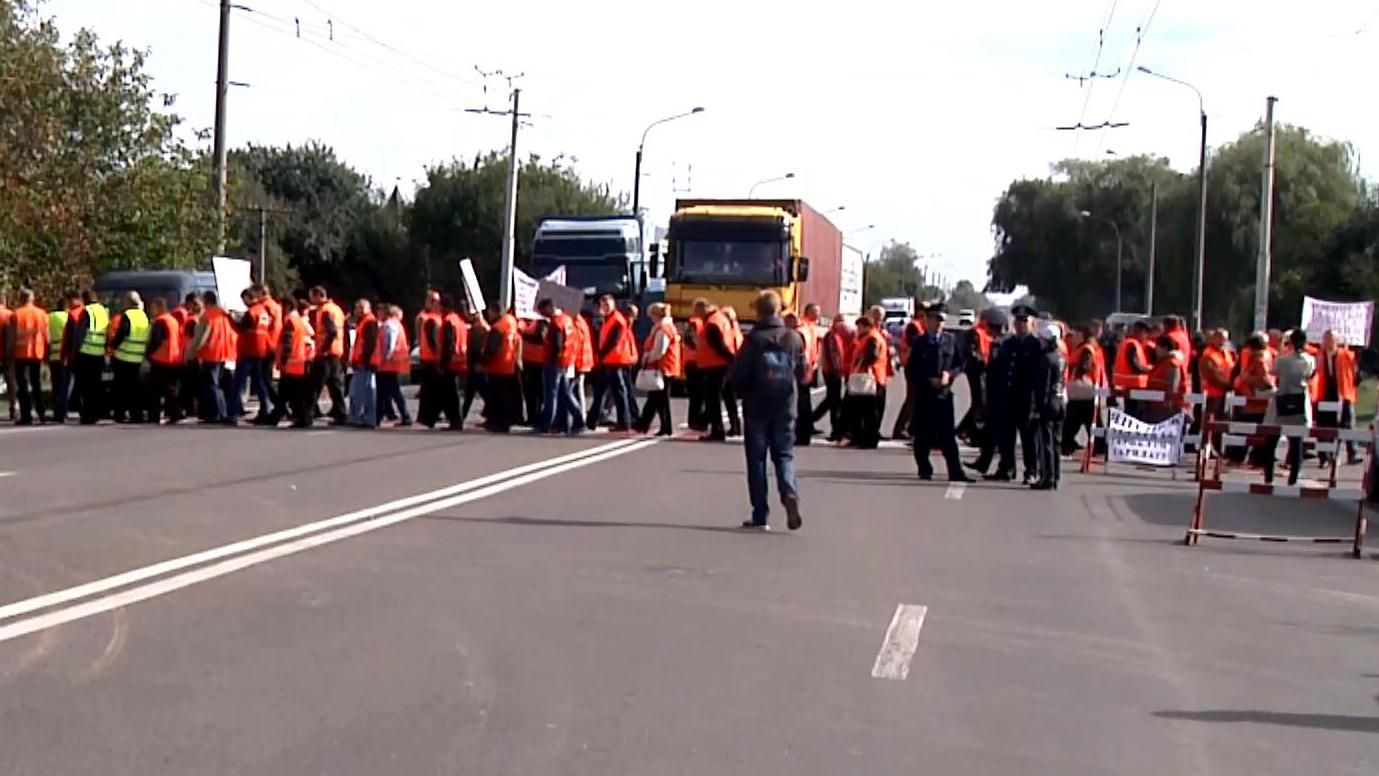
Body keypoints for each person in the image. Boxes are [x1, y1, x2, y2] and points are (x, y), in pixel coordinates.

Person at [727, 291, 804, 531]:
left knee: (757, 460)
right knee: (784, 455)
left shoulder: (754, 339)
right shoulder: (793, 337)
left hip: (757, 404)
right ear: (779, 310)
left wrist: (735, 392)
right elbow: (802, 373)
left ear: (758, 311)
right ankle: (789, 491)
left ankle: (760, 514)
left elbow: (740, 374)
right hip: (785, 403)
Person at [906, 303, 972, 482]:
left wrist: (949, 374)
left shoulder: (950, 341)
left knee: (948, 436)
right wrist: (928, 380)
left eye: (941, 320)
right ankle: (924, 468)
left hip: (944, 395)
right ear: (927, 321)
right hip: (925, 394)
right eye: (935, 320)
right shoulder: (919, 343)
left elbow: (960, 364)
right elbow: (911, 370)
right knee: (922, 436)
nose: (938, 324)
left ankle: (956, 472)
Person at [976, 304, 1041, 483]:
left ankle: (1031, 471)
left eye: (1024, 321)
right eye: (1017, 321)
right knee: (1006, 437)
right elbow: (998, 371)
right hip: (1007, 397)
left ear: (1032, 323)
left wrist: (1036, 403)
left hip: (1026, 399)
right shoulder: (1007, 343)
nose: (1020, 325)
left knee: (1028, 439)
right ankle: (1006, 469)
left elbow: (1038, 377)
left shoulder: (1035, 345)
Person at [1263, 329, 1315, 485]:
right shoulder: (1310, 360)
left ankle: (1269, 476)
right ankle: (1293, 478)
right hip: (1300, 400)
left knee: (1271, 440)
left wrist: (1281, 347)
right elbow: (1310, 375)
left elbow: (1273, 371)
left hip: (1282, 399)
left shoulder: (1282, 360)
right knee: (1296, 441)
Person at [586, 294, 637, 432]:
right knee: (601, 392)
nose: (605, 308)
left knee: (618, 393)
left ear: (613, 305)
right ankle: (592, 421)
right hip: (609, 361)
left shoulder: (617, 320)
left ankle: (624, 422)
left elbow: (613, 341)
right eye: (603, 305)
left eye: (607, 305)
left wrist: (600, 355)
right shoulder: (608, 319)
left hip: (615, 361)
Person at [533, 298, 583, 435]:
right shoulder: (567, 319)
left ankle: (546, 424)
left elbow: (557, 345)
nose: (542, 314)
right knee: (565, 393)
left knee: (551, 394)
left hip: (555, 363)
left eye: (543, 311)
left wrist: (553, 359)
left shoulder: (556, 324)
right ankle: (578, 420)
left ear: (549, 308)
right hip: (566, 361)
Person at [187, 290, 236, 424]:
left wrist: (192, 352)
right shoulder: (224, 314)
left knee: (211, 386)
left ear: (206, 301)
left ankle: (214, 414)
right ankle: (222, 412)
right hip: (224, 353)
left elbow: (202, 338)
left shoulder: (207, 316)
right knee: (218, 386)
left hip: (211, 354)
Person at [1029, 321, 1068, 490]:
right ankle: (1056, 475)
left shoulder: (1045, 358)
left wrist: (1037, 409)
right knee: (1057, 441)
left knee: (1046, 441)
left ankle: (1047, 478)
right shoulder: (1061, 357)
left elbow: (1042, 387)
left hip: (1049, 402)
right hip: (1060, 400)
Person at [694, 298, 739, 441]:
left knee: (713, 400)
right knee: (722, 398)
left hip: (715, 366)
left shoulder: (712, 323)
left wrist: (731, 359)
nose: (696, 314)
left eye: (697, 311)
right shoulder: (720, 319)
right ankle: (720, 427)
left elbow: (718, 345)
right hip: (721, 365)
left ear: (703, 309)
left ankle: (717, 431)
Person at [64, 288, 110, 425]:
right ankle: (96, 413)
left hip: (86, 353)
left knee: (85, 387)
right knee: (96, 386)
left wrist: (75, 351)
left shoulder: (86, 311)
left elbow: (80, 334)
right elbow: (106, 332)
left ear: (84, 299)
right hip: (98, 353)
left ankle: (87, 415)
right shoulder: (103, 311)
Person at [1314, 330, 1360, 465]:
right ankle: (1324, 456)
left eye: (1331, 339)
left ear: (1337, 341)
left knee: (1348, 423)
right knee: (1324, 425)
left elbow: (1355, 367)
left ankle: (1353, 454)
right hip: (1324, 394)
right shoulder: (1319, 354)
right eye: (1326, 339)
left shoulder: (1345, 355)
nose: (1328, 342)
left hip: (1343, 393)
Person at [634, 302, 680, 436]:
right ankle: (646, 424)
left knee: (660, 399)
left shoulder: (663, 329)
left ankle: (656, 425)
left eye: (651, 315)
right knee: (656, 399)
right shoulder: (665, 327)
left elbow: (660, 350)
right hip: (666, 366)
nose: (650, 318)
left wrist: (647, 358)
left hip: (662, 367)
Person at [270, 298, 316, 428]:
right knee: (286, 394)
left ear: (288, 306)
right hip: (298, 362)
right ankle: (276, 416)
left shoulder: (290, 321)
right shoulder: (299, 321)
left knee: (294, 395)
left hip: (291, 363)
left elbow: (287, 342)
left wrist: (283, 360)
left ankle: (302, 419)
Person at [5, 289, 48, 425]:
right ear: (32, 299)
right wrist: (47, 351)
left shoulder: (16, 314)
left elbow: (11, 337)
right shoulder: (41, 314)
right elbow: (47, 335)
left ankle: (26, 415)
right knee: (36, 384)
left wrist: (8, 353)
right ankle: (41, 414)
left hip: (20, 354)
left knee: (22, 386)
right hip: (37, 352)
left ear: (21, 299)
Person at [845, 315, 888, 449]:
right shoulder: (870, 337)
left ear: (866, 326)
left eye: (859, 327)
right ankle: (860, 437)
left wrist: (860, 365)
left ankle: (868, 439)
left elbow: (872, 355)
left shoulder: (872, 338)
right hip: (872, 377)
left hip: (870, 378)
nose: (858, 329)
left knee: (868, 411)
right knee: (862, 410)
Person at [233, 288, 275, 424]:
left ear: (248, 297)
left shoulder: (251, 312)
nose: (243, 302)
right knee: (260, 383)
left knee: (237, 383)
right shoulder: (262, 311)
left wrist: (231, 319)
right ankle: (266, 410)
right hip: (261, 350)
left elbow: (241, 327)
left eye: (243, 299)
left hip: (249, 350)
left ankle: (233, 413)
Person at [1062, 324, 1104, 455]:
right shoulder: (1086, 347)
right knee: (1088, 418)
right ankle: (1099, 445)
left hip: (1083, 389)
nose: (1073, 337)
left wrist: (1076, 373)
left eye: (1076, 334)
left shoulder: (1086, 349)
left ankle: (1067, 443)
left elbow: (1085, 365)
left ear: (1082, 336)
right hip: (1086, 390)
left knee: (1075, 418)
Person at [308, 286, 347, 424]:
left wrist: (323, 349)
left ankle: (306, 416)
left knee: (314, 386)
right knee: (335, 387)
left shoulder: (325, 311)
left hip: (326, 354)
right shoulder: (336, 309)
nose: (311, 300)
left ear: (319, 295)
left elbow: (331, 331)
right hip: (336, 352)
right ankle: (341, 415)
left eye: (312, 296)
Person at [955, 311, 996, 445]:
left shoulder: (987, 332)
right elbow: (970, 351)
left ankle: (963, 429)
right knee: (980, 401)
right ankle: (974, 434)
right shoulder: (975, 332)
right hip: (975, 370)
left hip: (984, 370)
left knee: (980, 402)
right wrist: (981, 361)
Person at [482, 304, 522, 432]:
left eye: (490, 311)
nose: (488, 314)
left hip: (497, 366)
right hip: (509, 364)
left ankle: (500, 423)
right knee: (506, 396)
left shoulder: (497, 327)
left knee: (498, 397)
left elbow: (492, 349)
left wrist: (483, 362)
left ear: (495, 311)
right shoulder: (511, 322)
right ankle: (506, 420)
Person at [144, 297, 184, 424]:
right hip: (174, 359)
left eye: (153, 308)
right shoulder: (172, 320)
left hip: (160, 359)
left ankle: (154, 416)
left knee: (154, 390)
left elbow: (156, 341)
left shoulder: (160, 322)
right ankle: (175, 414)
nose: (151, 310)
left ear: (160, 307)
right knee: (170, 390)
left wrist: (148, 354)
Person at [812, 314, 852, 441]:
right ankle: (836, 430)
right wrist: (838, 370)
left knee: (832, 400)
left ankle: (835, 428)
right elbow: (833, 355)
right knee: (834, 401)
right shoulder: (832, 336)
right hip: (832, 372)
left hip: (833, 371)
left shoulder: (836, 336)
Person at [891, 305, 926, 441]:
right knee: (912, 399)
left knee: (917, 399)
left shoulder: (919, 327)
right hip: (912, 366)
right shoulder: (914, 327)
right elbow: (916, 345)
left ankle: (911, 428)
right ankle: (900, 429)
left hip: (916, 366)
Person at [375, 304, 413, 427]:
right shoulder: (396, 324)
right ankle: (403, 415)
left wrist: (384, 358)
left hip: (387, 364)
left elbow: (389, 344)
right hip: (393, 363)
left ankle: (378, 417)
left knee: (383, 392)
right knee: (392, 391)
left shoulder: (389, 325)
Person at [47, 290, 79, 424]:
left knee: (55, 386)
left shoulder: (50, 317)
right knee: (64, 386)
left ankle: (56, 411)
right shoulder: (68, 317)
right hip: (63, 356)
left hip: (52, 356)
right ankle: (62, 412)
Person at [347, 298, 380, 428]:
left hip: (365, 362)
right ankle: (364, 418)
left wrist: (364, 360)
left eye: (359, 308)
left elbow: (369, 344)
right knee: (364, 391)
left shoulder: (369, 321)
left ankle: (360, 417)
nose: (357, 311)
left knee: (361, 391)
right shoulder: (365, 321)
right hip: (365, 361)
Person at [1112, 320, 1154, 418]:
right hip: (1135, 385)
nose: (1147, 337)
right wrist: (1150, 369)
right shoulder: (1132, 344)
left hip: (1131, 385)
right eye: (1146, 333)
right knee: (1135, 415)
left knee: (1131, 413)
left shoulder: (1130, 343)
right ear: (1141, 332)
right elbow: (1135, 366)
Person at [793, 303, 823, 444]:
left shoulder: (810, 327)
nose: (818, 314)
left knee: (804, 401)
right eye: (815, 311)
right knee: (802, 401)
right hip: (804, 368)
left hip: (808, 368)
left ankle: (805, 429)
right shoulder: (804, 328)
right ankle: (804, 430)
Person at [438, 296, 468, 430]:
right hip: (460, 360)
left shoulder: (449, 321)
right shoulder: (459, 320)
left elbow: (448, 345)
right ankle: (456, 420)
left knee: (451, 395)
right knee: (454, 393)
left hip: (451, 363)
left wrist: (443, 364)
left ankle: (455, 421)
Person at [1142, 334, 1185, 424]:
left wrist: (1169, 402)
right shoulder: (1163, 362)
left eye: (1158, 347)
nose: (1156, 350)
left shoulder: (1172, 363)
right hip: (1158, 408)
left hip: (1166, 411)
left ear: (1165, 348)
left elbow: (1174, 385)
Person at [177, 294, 203, 421]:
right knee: (192, 385)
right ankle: (191, 409)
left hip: (191, 356)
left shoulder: (192, 320)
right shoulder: (197, 319)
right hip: (194, 356)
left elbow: (191, 340)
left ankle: (190, 409)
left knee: (189, 385)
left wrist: (187, 355)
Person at [519, 315, 548, 425]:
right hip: (529, 361)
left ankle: (537, 417)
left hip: (538, 363)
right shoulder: (530, 323)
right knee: (529, 392)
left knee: (537, 392)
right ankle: (532, 417)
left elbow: (541, 337)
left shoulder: (542, 322)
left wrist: (524, 334)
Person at [683, 310, 706, 431]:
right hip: (696, 362)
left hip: (692, 362)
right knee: (698, 395)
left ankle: (694, 420)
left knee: (695, 395)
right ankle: (696, 421)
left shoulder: (694, 324)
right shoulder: (698, 324)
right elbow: (692, 340)